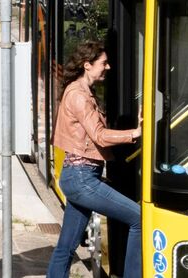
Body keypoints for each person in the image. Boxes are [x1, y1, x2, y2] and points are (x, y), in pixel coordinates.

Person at [46, 40, 144, 278]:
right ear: (87, 65)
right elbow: (99, 136)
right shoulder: (79, 96)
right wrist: (135, 133)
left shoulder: (80, 91)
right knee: (139, 218)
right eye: (104, 63)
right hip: (82, 178)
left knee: (66, 247)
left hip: (78, 175)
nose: (108, 67)